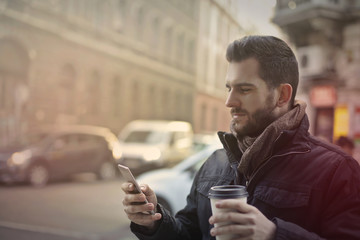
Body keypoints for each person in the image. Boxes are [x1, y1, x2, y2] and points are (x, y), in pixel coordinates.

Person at [121, 36, 360, 239]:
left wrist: (274, 234)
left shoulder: (338, 171)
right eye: (229, 88)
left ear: (282, 95)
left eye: (244, 90)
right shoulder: (215, 162)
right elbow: (190, 232)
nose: (229, 102)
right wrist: (154, 221)